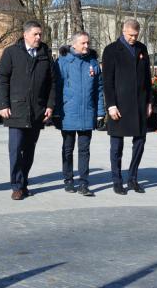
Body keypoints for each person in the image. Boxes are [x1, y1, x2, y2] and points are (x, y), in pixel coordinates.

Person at [0, 21, 55, 200]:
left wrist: (50, 105)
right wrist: (3, 104)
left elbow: (52, 82)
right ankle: (16, 185)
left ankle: (24, 182)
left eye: (40, 34)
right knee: (15, 149)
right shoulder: (11, 53)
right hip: (16, 109)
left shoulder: (45, 54)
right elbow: (2, 79)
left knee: (29, 150)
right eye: (35, 34)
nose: (39, 37)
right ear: (26, 35)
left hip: (37, 111)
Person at [102, 19, 152, 195]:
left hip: (139, 104)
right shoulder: (111, 50)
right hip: (119, 105)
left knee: (140, 142)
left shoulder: (142, 49)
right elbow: (107, 81)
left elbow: (147, 78)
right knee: (117, 146)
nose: (133, 38)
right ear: (123, 31)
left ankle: (133, 178)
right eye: (130, 35)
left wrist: (149, 102)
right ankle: (117, 180)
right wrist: (111, 105)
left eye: (136, 35)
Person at [54, 31, 105, 197]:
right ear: (74, 44)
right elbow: (55, 88)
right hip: (68, 112)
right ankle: (68, 179)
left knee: (84, 150)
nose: (87, 46)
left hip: (87, 113)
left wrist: (100, 113)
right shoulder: (62, 62)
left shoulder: (93, 63)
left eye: (88, 43)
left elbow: (98, 89)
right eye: (83, 43)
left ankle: (84, 183)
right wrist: (55, 112)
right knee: (67, 149)